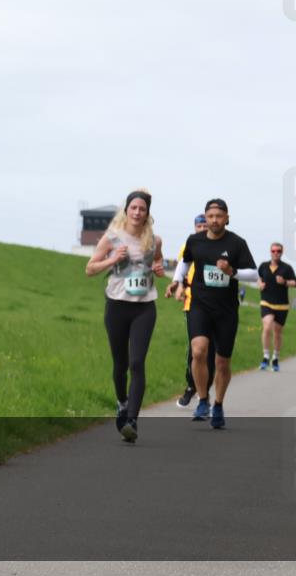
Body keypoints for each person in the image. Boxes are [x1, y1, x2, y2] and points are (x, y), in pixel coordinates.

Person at [168, 199, 257, 429]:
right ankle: (203, 400)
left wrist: (232, 271)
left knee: (222, 362)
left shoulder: (237, 243)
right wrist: (177, 281)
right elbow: (185, 261)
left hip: (226, 310)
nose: (214, 220)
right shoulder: (195, 240)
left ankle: (218, 404)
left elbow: (253, 274)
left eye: (219, 216)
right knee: (198, 351)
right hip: (200, 305)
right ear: (205, 218)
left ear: (227, 217)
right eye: (210, 216)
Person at [86, 190, 164, 443]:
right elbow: (89, 269)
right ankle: (122, 402)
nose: (138, 212)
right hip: (117, 306)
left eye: (142, 209)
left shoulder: (154, 240)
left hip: (144, 307)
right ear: (126, 210)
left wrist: (160, 269)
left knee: (137, 362)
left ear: (147, 213)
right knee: (120, 365)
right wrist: (111, 260)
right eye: (134, 208)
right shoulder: (112, 238)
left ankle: (132, 420)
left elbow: (158, 264)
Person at [165, 214, 216, 408]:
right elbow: (182, 270)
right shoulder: (189, 246)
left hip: (216, 305)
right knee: (195, 350)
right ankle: (191, 386)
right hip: (192, 303)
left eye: (206, 225)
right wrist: (177, 286)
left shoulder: (219, 245)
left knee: (211, 352)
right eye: (200, 225)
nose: (203, 228)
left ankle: (205, 391)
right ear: (195, 227)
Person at [257, 243, 296, 371]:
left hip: (282, 305)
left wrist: (285, 282)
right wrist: (259, 284)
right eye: (273, 251)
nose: (276, 253)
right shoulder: (263, 265)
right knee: (267, 326)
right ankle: (265, 357)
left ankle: (275, 358)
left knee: (277, 333)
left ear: (282, 252)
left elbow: (295, 283)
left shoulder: (287, 268)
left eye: (278, 251)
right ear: (270, 251)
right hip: (266, 302)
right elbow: (257, 277)